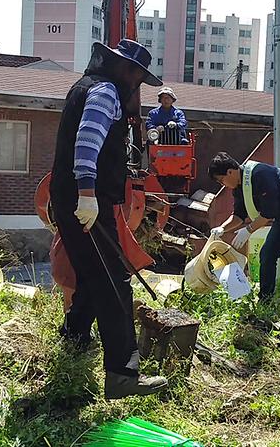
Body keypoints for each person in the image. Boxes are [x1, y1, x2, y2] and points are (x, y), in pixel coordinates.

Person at [49, 38, 168, 400]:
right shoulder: (105, 92)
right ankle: (122, 374)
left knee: (91, 271)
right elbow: (86, 141)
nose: (138, 87)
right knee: (114, 283)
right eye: (138, 78)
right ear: (127, 70)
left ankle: (75, 336)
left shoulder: (83, 87)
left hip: (74, 197)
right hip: (87, 200)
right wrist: (87, 194)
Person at [208, 152, 280, 321]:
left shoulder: (260, 174)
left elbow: (268, 213)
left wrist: (248, 230)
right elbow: (239, 215)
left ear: (230, 172)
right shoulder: (239, 188)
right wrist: (222, 229)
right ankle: (266, 300)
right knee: (267, 255)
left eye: (221, 180)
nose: (223, 184)